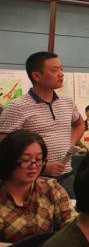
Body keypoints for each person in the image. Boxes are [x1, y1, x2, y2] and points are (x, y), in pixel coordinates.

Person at [0, 52, 84, 192]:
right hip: (34, 180)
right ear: (36, 76)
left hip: (66, 177)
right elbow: (4, 146)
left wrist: (70, 144)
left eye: (61, 69)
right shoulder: (18, 107)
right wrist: (42, 166)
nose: (61, 74)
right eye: (54, 70)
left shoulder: (67, 102)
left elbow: (79, 124)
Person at [0, 131, 76, 247]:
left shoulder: (50, 187)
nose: (34, 166)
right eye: (25, 160)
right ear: (8, 160)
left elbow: (73, 226)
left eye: (39, 159)